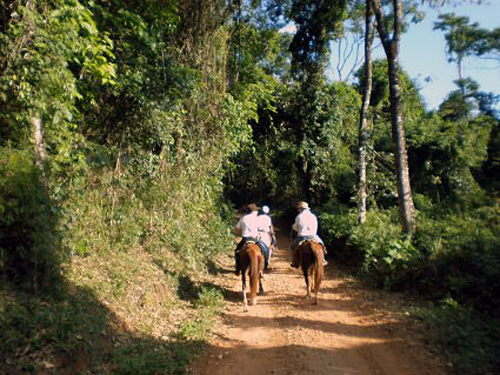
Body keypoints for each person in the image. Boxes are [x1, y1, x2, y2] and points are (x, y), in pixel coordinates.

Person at [233, 203, 270, 275]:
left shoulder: (243, 218)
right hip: (255, 240)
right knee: (266, 250)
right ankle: (264, 265)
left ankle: (238, 268)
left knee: (237, 251)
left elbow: (237, 229)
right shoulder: (258, 218)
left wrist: (241, 233)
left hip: (245, 239)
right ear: (254, 211)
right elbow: (263, 228)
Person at [290, 201, 327, 268]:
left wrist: (294, 227)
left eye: (298, 208)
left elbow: (296, 227)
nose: (298, 210)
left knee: (293, 246)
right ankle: (323, 260)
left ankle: (295, 262)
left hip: (302, 236)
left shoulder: (299, 216)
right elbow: (316, 226)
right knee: (322, 245)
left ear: (301, 208)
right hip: (313, 236)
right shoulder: (313, 216)